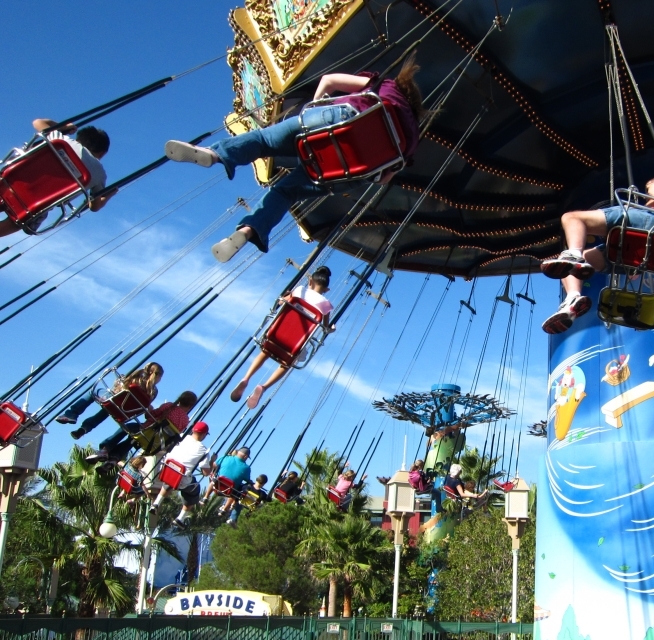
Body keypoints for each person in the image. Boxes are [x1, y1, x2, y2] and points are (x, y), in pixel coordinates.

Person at [163, 59, 425, 261]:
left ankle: (214, 154)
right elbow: (384, 178)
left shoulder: (386, 86)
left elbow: (329, 80)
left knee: (265, 141)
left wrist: (315, 106)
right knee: (285, 193)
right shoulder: (411, 142)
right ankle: (246, 233)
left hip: (331, 125)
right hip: (345, 172)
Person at [539, 175, 654, 334]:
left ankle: (574, 253)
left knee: (571, 218)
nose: (647, 192)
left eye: (648, 188)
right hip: (652, 254)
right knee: (571, 263)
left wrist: (641, 205)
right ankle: (572, 299)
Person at [230, 266, 335, 409]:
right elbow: (326, 328)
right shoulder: (326, 305)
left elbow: (280, 302)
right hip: (294, 346)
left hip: (276, 335)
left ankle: (246, 377)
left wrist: (286, 297)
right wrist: (331, 329)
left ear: (310, 281)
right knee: (286, 364)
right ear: (327, 290)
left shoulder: (299, 290)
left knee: (265, 352)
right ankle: (264, 387)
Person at [0, 120, 115, 239]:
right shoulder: (99, 173)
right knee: (18, 222)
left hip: (12, 181)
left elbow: (38, 122)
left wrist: (65, 127)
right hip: (34, 204)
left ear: (78, 139)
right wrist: (109, 195)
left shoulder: (61, 140)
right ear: (102, 153)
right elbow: (94, 206)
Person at [88, 390, 197, 464]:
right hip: (155, 443)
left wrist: (149, 409)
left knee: (127, 428)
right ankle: (114, 458)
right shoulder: (186, 420)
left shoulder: (169, 406)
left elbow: (149, 415)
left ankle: (105, 449)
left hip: (146, 430)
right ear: (191, 405)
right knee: (133, 440)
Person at [61, 362, 163, 439]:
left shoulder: (136, 377)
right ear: (157, 376)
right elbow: (144, 404)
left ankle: (72, 414)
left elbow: (120, 387)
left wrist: (119, 381)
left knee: (94, 392)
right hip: (125, 412)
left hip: (117, 402)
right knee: (109, 409)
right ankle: (84, 429)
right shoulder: (153, 392)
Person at [151, 422, 213, 528]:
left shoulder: (181, 436)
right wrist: (211, 461)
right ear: (203, 435)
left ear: (193, 430)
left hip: (166, 470)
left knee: (172, 477)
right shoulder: (203, 450)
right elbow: (206, 473)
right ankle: (181, 518)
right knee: (195, 488)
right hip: (181, 480)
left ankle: (156, 503)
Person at [214, 447, 252, 516]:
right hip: (230, 491)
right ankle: (226, 508)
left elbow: (214, 465)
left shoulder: (225, 458)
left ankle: (206, 496)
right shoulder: (246, 467)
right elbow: (247, 479)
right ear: (245, 456)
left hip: (217, 485)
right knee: (240, 489)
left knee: (215, 479)